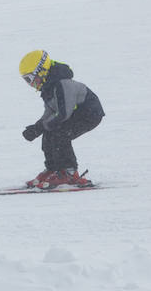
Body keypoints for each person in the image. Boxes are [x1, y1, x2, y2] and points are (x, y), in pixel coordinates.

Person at [18, 49, 105, 189]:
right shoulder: (48, 86)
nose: (30, 84)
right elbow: (50, 113)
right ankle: (54, 169)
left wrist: (41, 127)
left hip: (89, 114)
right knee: (49, 133)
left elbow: (63, 114)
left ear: (41, 71)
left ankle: (69, 173)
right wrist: (37, 128)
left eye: (30, 79)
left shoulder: (62, 84)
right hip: (74, 113)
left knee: (61, 133)